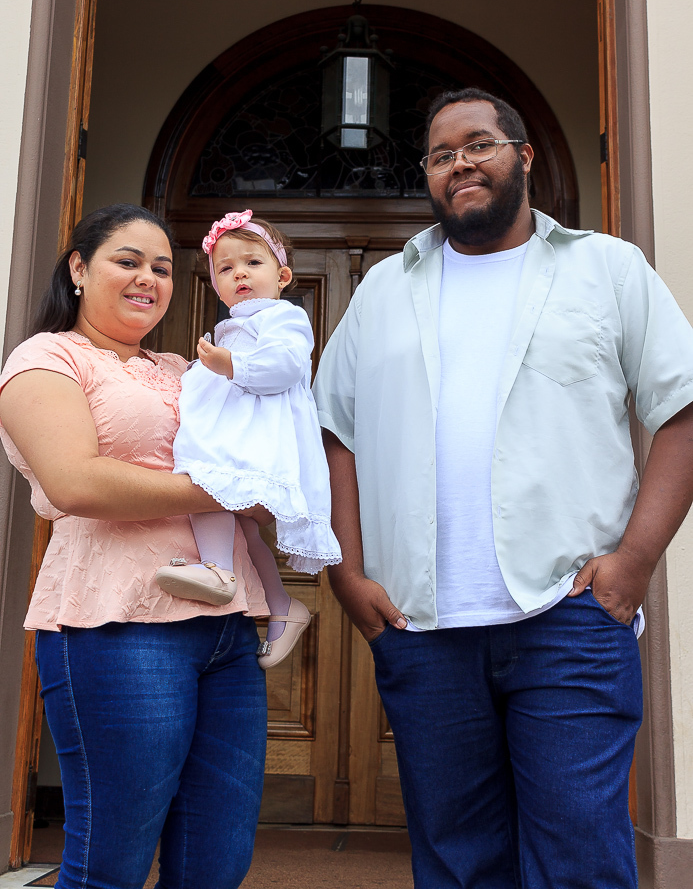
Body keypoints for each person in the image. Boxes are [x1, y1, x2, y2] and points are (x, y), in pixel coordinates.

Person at [313, 88, 693, 889]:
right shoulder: (384, 288)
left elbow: (681, 408)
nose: (459, 164)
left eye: (477, 144)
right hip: (422, 627)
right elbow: (331, 431)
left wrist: (635, 561)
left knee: (578, 861)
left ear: (522, 157)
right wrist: (343, 573)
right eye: (440, 154)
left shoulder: (606, 267)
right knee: (456, 862)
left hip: (569, 617)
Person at [0, 204, 274, 889]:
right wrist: (229, 490)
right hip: (117, 624)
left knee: (216, 861)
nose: (148, 277)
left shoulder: (187, 368)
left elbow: (269, 465)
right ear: (79, 268)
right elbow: (76, 481)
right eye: (128, 260)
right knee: (110, 863)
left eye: (162, 267)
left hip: (224, 629)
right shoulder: (46, 357)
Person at [157, 209, 341, 667]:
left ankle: (219, 570)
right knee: (240, 522)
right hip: (242, 434)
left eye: (252, 263)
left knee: (206, 485)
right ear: (214, 285)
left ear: (282, 277)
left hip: (260, 439)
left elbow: (287, 366)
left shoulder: (283, 317)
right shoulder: (233, 328)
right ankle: (281, 606)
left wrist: (229, 366)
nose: (239, 272)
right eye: (226, 267)